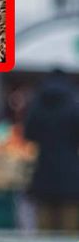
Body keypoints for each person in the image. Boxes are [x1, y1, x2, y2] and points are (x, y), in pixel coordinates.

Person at [26, 73, 79, 232]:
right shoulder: (73, 107)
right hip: (71, 177)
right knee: (69, 232)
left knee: (44, 232)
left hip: (43, 173)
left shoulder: (37, 106)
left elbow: (28, 134)